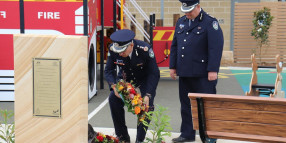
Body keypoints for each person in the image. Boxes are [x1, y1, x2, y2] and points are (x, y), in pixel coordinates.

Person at [169, 0, 224, 142]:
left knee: (207, 104)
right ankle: (187, 134)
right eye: (185, 11)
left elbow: (215, 48)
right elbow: (175, 45)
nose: (187, 14)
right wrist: (173, 66)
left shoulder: (210, 22)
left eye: (190, 11)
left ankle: (210, 135)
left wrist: (213, 70)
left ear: (198, 7)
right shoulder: (181, 22)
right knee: (186, 105)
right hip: (185, 71)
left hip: (203, 73)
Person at [104, 29, 160, 143]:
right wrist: (114, 86)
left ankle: (139, 139)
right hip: (126, 77)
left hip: (144, 78)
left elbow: (154, 73)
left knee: (145, 105)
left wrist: (148, 95)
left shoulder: (144, 49)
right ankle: (122, 136)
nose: (120, 54)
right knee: (113, 99)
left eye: (123, 50)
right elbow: (109, 70)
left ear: (131, 45)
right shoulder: (113, 49)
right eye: (118, 51)